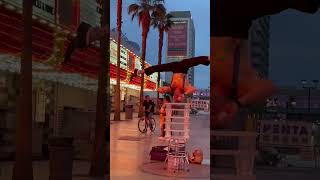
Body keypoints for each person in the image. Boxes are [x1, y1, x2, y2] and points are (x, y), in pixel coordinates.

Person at [212, 0, 319, 129]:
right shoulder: (239, 88)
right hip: (235, 21)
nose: (213, 103)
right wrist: (238, 104)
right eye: (216, 110)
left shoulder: (204, 86)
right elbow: (269, 87)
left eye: (212, 111)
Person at [131, 56, 210, 102]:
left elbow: (159, 89)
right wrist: (184, 94)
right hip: (183, 68)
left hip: (174, 69)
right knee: (192, 61)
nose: (175, 95)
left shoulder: (171, 88)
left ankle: (141, 71)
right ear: (180, 95)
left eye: (174, 97)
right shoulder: (185, 89)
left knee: (161, 67)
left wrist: (162, 90)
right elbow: (194, 89)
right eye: (177, 96)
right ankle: (208, 58)